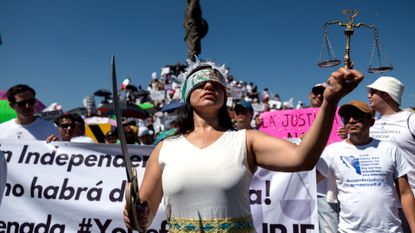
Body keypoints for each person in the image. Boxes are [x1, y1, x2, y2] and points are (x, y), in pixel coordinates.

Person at [123, 61, 363, 232]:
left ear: (225, 96)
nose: (209, 86)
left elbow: (303, 158)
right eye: (200, 83)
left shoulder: (246, 140)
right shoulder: (164, 148)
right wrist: (136, 216)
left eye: (216, 84)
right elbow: (143, 217)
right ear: (186, 95)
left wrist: (330, 102)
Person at [317, 100, 415, 232]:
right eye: (346, 118)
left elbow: (405, 192)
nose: (351, 120)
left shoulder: (390, 149)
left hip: (391, 229)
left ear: (371, 122)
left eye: (357, 116)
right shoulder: (332, 151)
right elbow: (310, 181)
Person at [367, 76, 415, 232]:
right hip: (384, 205)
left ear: (386, 94)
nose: (368, 95)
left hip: (411, 200)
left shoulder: (411, 119)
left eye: (372, 92)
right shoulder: (372, 124)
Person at [308, 82, 340, 233]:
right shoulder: (292, 119)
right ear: (310, 95)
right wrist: (261, 123)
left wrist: (347, 136)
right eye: (316, 92)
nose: (318, 95)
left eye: (322, 92)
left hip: (324, 190)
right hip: (298, 190)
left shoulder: (339, 118)